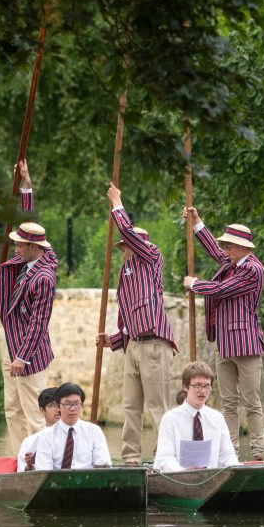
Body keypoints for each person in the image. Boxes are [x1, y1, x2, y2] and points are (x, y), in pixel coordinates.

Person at [97, 182, 177, 465]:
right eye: (123, 247)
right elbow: (128, 320)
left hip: (154, 344)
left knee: (158, 406)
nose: (125, 250)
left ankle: (164, 458)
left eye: (128, 245)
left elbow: (129, 234)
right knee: (131, 406)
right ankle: (131, 459)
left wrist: (117, 201)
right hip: (133, 345)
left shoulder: (151, 257)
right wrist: (114, 340)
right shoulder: (126, 273)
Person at [182, 206, 264, 460]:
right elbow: (213, 250)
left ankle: (259, 454)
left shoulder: (252, 269)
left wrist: (195, 284)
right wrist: (197, 222)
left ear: (243, 247)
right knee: (228, 404)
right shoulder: (232, 263)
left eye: (229, 245)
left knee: (252, 402)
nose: (225, 250)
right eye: (226, 246)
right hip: (225, 344)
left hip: (247, 344)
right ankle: (230, 453)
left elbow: (222, 289)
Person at [0, 160, 59, 455]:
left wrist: (22, 356)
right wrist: (26, 185)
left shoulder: (44, 277)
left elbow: (39, 322)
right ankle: (22, 460)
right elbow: (30, 219)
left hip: (28, 354)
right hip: (12, 346)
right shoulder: (29, 257)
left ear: (35, 248)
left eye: (20, 245)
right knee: (13, 409)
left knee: (35, 413)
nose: (16, 248)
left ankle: (42, 462)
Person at [153, 362, 240, 473]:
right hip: (178, 480)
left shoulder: (217, 418)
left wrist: (238, 468)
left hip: (211, 481)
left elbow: (227, 456)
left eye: (207, 386)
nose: (203, 391)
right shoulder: (170, 419)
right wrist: (185, 473)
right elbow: (164, 459)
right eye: (197, 385)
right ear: (185, 386)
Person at [33, 383, 111, 470]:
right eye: (67, 404)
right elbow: (43, 471)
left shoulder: (94, 431)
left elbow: (103, 466)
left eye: (76, 404)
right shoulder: (47, 435)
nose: (72, 409)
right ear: (58, 406)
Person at [17, 386, 59, 472]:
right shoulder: (29, 442)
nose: (57, 409)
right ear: (42, 410)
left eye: (59, 405)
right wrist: (29, 466)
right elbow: (21, 474)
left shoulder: (74, 436)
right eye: (51, 405)